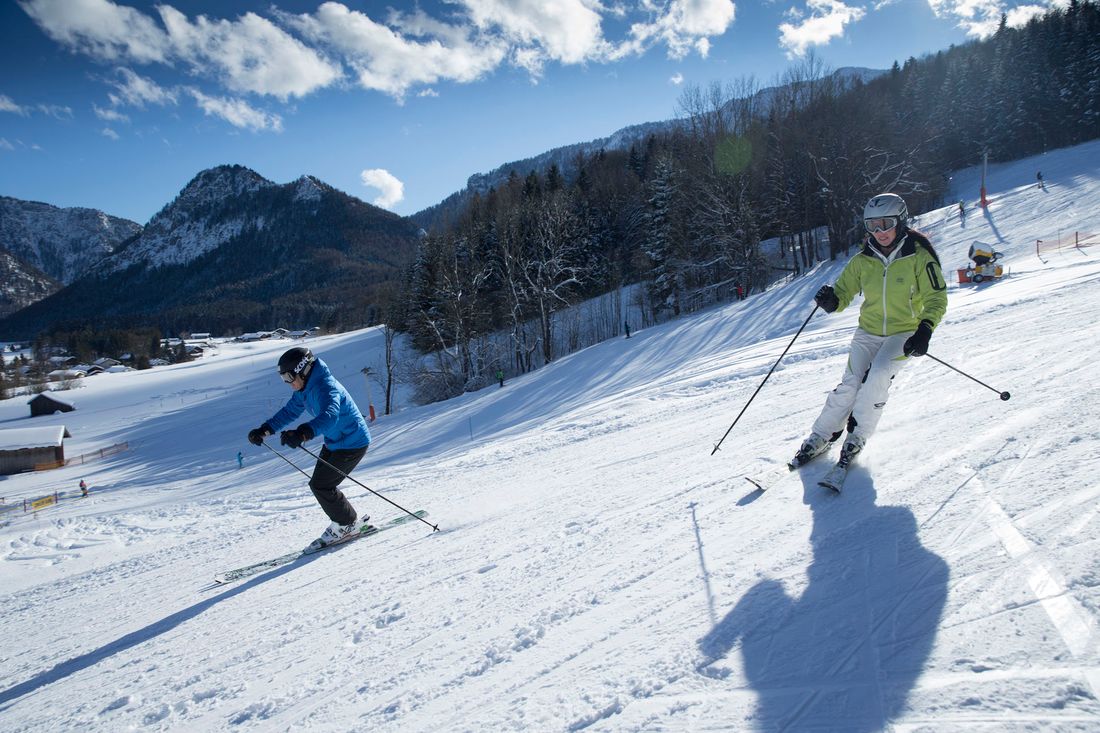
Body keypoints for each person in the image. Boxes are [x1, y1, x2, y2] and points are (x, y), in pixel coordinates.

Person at [793, 193, 947, 469]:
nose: (880, 232)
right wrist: (831, 300)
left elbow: (937, 298)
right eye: (872, 225)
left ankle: (857, 436)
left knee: (876, 377)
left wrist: (925, 329)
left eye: (886, 223)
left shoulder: (919, 257)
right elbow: (842, 294)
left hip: (904, 333)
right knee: (850, 384)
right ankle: (821, 435)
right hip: (868, 332)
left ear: (900, 221)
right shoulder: (863, 260)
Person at [248, 347, 371, 551]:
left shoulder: (326, 387)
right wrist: (265, 430)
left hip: (353, 442)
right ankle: (346, 522)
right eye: (283, 379)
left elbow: (330, 416)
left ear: (302, 369)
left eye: (289, 377)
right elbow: (289, 412)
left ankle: (346, 525)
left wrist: (304, 433)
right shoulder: (304, 390)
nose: (288, 383)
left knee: (321, 485)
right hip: (335, 442)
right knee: (319, 485)